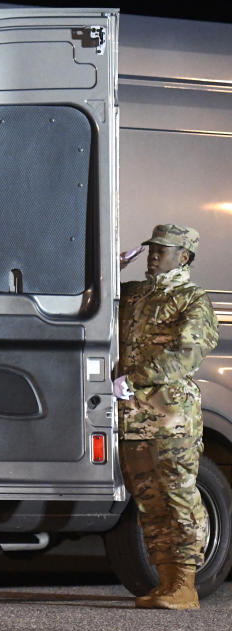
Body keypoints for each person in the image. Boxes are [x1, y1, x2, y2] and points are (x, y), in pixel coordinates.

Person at [115, 224, 218, 610]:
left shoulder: (193, 300)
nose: (154, 254)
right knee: (148, 499)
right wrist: (111, 265)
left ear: (184, 256)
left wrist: (134, 376)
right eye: (152, 248)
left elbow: (188, 353)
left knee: (178, 494)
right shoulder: (136, 295)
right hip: (135, 416)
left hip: (172, 417)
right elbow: (94, 298)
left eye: (165, 249)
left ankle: (187, 583)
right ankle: (166, 580)